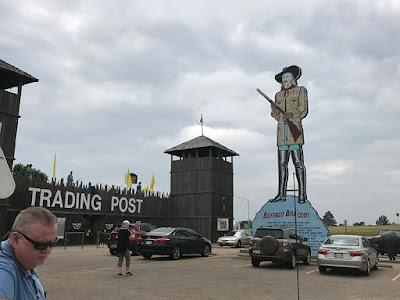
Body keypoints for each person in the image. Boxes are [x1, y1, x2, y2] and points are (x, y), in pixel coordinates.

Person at [0, 207, 58, 299]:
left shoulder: (26, 261)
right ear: (16, 239)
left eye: (52, 243)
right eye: (40, 244)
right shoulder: (4, 269)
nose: (47, 250)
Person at [270, 65, 308, 204]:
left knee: (298, 163)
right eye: (283, 78)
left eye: (287, 77)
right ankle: (281, 193)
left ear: (293, 78)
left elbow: (302, 108)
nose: (285, 79)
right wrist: (275, 111)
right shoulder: (278, 95)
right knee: (281, 164)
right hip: (282, 134)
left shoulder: (300, 91)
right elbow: (275, 114)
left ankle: (302, 194)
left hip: (294, 133)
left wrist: (292, 114)